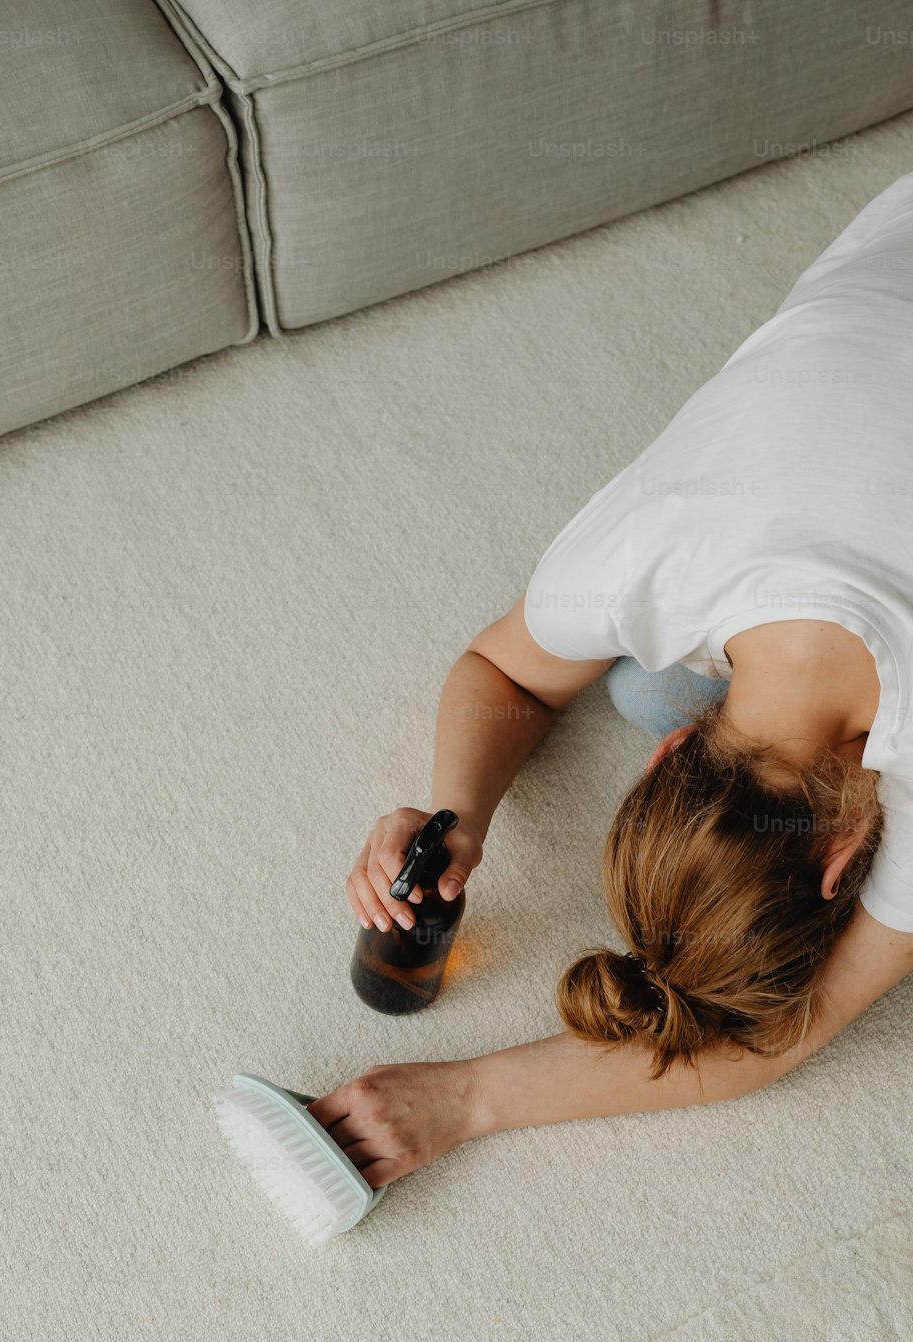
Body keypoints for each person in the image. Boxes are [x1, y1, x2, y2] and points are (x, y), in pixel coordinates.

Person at [319, 172, 913, 1190]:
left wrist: (476, 1099)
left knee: (642, 680)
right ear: (668, 758)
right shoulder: (644, 560)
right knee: (641, 680)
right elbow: (499, 668)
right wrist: (456, 811)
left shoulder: (646, 565)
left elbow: (799, 1026)